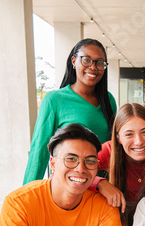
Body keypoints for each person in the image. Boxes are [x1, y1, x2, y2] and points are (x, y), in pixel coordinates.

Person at [23, 38, 117, 184]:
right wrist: (26, 193)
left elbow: (113, 146)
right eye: (86, 60)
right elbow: (39, 151)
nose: (93, 67)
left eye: (99, 63)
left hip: (102, 187)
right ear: (74, 61)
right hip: (71, 183)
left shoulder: (108, 100)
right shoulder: (54, 100)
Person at [85, 104, 145, 226]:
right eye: (129, 134)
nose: (138, 141)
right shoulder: (109, 151)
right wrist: (100, 183)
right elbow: (70, 175)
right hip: (117, 222)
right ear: (118, 138)